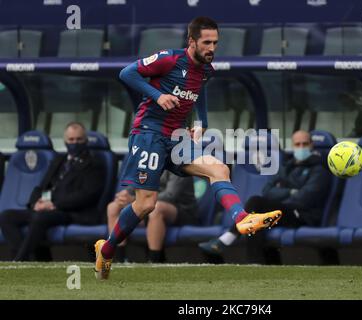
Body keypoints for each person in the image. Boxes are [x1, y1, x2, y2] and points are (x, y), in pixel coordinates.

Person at [94, 16, 282, 279]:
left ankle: (242, 219)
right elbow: (127, 73)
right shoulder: (169, 59)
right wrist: (158, 95)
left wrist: (202, 121)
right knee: (146, 204)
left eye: (215, 43)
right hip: (149, 134)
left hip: (177, 137)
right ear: (191, 41)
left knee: (218, 168)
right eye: (207, 42)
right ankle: (108, 248)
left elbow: (199, 90)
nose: (212, 48)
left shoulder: (206, 69)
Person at [199, 130, 332, 264]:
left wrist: (281, 194)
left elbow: (304, 199)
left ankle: (230, 237)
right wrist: (291, 191)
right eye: (297, 144)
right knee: (257, 213)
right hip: (283, 212)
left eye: (305, 144)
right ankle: (255, 261)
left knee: (256, 203)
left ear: (312, 145)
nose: (301, 147)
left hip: (302, 216)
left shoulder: (319, 169)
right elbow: (268, 191)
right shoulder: (287, 166)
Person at [0, 122, 104, 261]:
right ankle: (27, 260)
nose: (75, 143)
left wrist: (53, 204)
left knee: (40, 218)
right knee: (7, 216)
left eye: (79, 139)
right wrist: (35, 203)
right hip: (48, 208)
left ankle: (19, 261)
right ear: (65, 141)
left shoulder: (94, 163)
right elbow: (42, 186)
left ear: (85, 140)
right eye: (71, 140)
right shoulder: (59, 160)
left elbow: (87, 195)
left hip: (71, 212)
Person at [107, 171, 198, 263]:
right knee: (113, 207)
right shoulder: (148, 164)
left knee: (157, 208)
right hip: (149, 208)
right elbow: (134, 187)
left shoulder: (178, 165)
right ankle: (119, 258)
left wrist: (136, 200)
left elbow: (170, 196)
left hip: (182, 211)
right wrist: (124, 196)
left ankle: (154, 260)